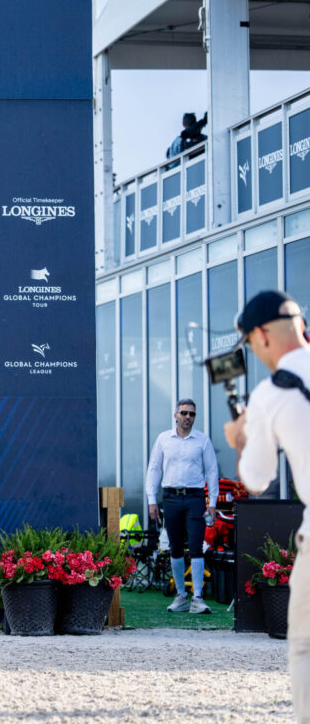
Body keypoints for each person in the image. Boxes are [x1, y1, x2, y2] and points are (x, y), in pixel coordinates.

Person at [224, 290, 310, 722]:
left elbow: (256, 480)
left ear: (261, 336)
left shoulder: (270, 394)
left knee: (306, 647)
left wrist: (240, 435)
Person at [146, 398, 218, 614]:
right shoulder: (163, 439)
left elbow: (212, 471)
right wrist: (152, 499)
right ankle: (181, 596)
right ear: (175, 415)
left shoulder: (202, 441)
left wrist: (212, 503)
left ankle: (197, 598)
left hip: (195, 498)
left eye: (192, 414)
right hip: (171, 498)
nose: (188, 417)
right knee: (175, 547)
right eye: (184, 413)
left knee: (196, 545)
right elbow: (154, 469)